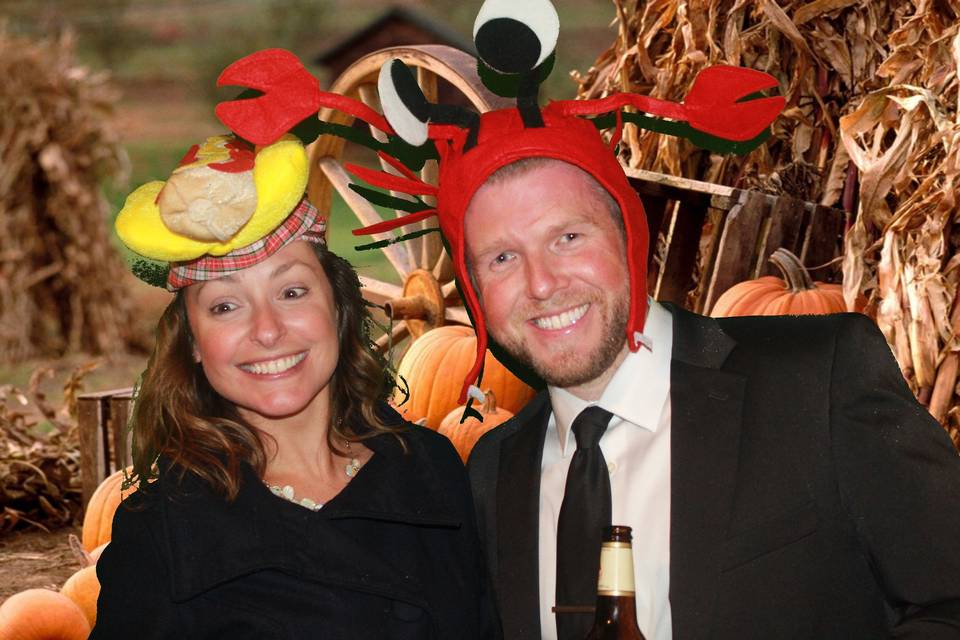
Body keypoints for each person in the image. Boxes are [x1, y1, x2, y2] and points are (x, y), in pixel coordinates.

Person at [338, 1, 960, 637]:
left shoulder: (817, 381)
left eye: (569, 237)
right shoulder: (493, 472)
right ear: (472, 291)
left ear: (630, 238)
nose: (543, 284)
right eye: (501, 258)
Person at [90, 117, 500, 637]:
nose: (267, 330)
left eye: (291, 292)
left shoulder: (431, 468)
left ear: (337, 303)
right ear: (193, 342)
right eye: (225, 306)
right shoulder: (158, 535)